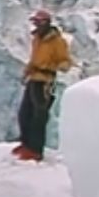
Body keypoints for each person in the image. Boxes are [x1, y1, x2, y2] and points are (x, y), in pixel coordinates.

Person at [14, 10, 72, 162]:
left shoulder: (57, 41)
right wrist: (27, 72)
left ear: (45, 23)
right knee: (25, 113)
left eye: (37, 22)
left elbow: (65, 61)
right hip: (34, 78)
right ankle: (25, 144)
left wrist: (58, 66)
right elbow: (34, 59)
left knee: (39, 116)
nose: (35, 25)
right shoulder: (37, 39)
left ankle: (35, 150)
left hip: (45, 81)